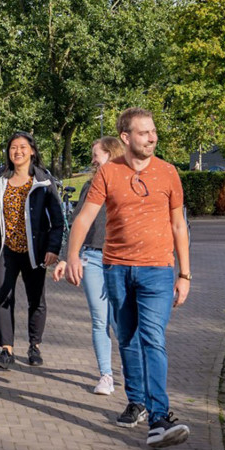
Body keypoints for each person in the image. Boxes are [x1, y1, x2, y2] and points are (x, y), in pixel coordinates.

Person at [65, 107, 192, 449]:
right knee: (127, 337)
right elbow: (84, 219)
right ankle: (136, 400)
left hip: (158, 270)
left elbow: (179, 225)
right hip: (117, 269)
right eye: (143, 132)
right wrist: (72, 255)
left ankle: (159, 418)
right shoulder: (107, 173)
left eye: (153, 132)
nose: (152, 137)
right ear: (125, 137)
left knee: (153, 338)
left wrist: (185, 273)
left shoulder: (168, 173)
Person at [0, 131, 64, 369]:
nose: (18, 151)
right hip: (7, 250)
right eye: (13, 147)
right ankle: (7, 350)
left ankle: (34, 346)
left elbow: (58, 221)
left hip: (35, 251)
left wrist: (53, 248)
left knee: (37, 300)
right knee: (3, 297)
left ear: (32, 151)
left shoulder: (44, 181)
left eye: (23, 147)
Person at [53, 136, 126, 396]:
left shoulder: (128, 183)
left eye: (97, 154)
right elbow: (77, 225)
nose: (93, 160)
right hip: (92, 258)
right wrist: (66, 257)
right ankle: (106, 375)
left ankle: (130, 371)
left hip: (120, 260)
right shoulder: (90, 185)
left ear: (111, 154)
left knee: (120, 320)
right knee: (99, 319)